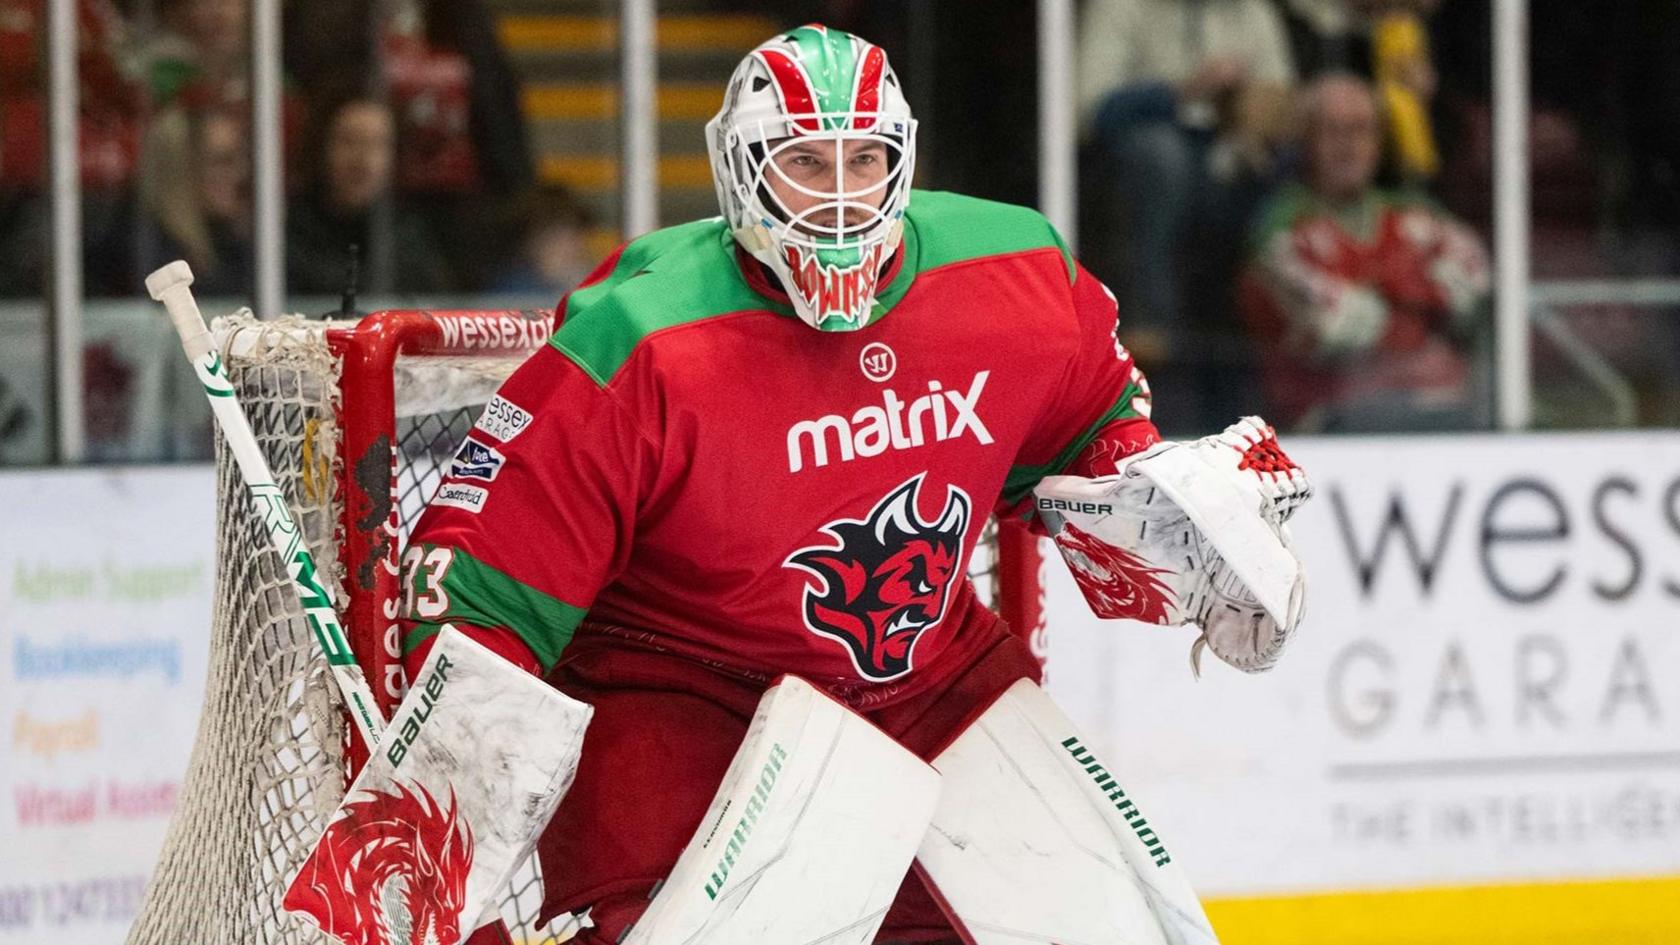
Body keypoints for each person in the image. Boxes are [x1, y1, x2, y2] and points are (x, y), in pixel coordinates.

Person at [398, 26, 1308, 945]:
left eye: (862, 160)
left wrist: (1166, 519)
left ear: (900, 162)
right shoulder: (639, 337)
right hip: (688, 695)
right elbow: (484, 593)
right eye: (804, 163)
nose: (839, 200)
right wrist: (437, 834)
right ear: (740, 170)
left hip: (929, 681)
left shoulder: (1012, 270)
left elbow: (1089, 425)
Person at [1238, 73, 1491, 431]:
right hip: (1327, 420)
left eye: (1362, 130)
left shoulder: (1415, 214)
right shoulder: (1281, 225)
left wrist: (1373, 292)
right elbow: (1331, 327)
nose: (1349, 145)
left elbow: (1475, 286)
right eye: (1333, 131)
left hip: (1433, 409)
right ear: (1307, 141)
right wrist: (1415, 304)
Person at [287, 92, 456, 297]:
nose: (362, 160)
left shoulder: (409, 235)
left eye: (377, 144)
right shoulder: (288, 230)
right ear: (321, 148)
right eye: (349, 141)